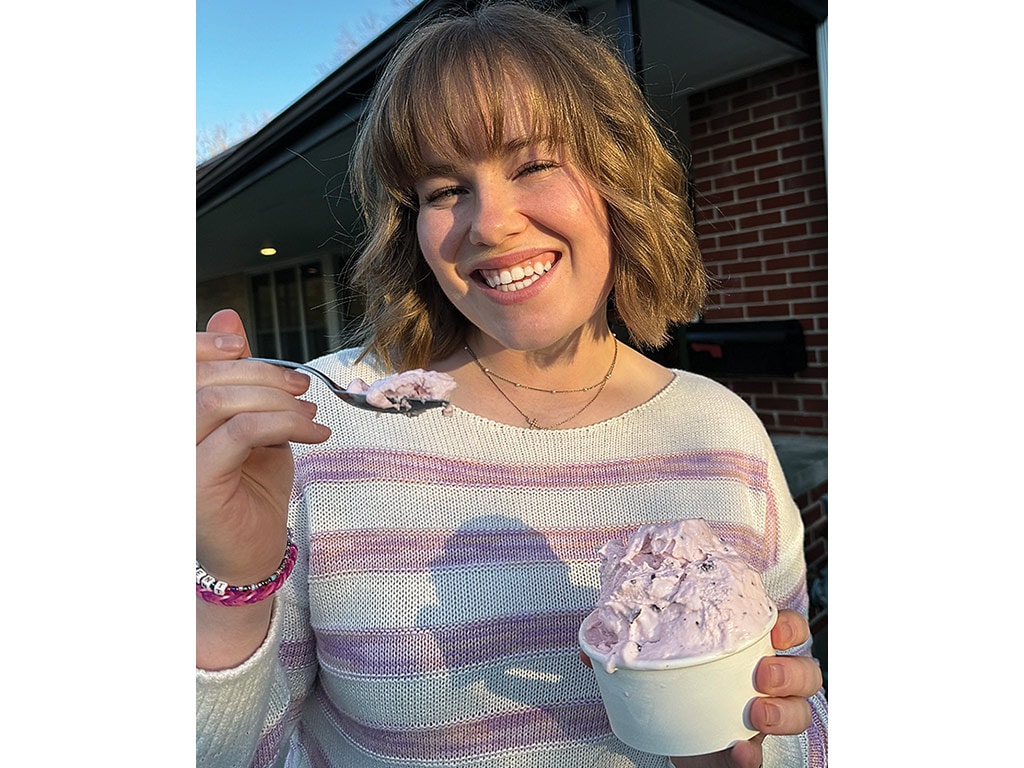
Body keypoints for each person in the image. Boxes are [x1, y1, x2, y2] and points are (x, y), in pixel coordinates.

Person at [196, 3, 827, 767]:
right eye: (442, 189)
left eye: (532, 164)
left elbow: (801, 707)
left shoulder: (721, 432)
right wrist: (231, 590)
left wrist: (768, 749)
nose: (490, 224)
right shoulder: (318, 426)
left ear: (617, 176)